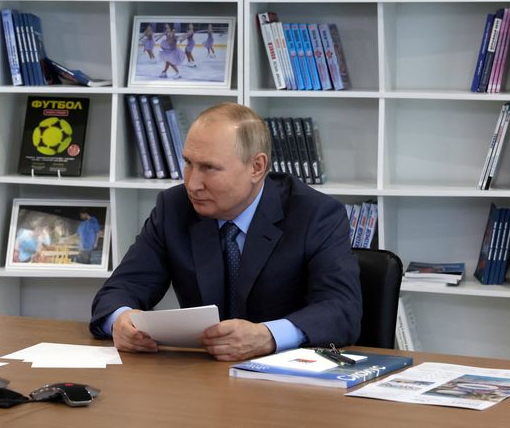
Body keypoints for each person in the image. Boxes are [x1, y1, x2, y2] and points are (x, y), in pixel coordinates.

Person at [90, 103, 362, 361]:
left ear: (257, 167)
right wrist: (122, 320)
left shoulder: (315, 214)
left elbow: (341, 309)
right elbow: (120, 289)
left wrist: (268, 335)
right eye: (188, 163)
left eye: (209, 168)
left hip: (288, 382)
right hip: (201, 378)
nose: (193, 184)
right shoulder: (174, 208)